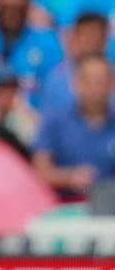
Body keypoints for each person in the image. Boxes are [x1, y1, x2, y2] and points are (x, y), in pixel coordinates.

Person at [33, 55, 115, 201]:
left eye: (101, 81)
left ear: (112, 83)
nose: (95, 87)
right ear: (76, 84)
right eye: (88, 81)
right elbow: (40, 171)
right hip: (64, 207)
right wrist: (69, 177)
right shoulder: (54, 120)